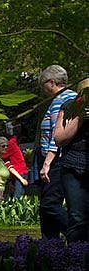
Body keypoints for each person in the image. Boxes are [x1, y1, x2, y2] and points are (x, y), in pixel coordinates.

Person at [38, 65, 75, 238]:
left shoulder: (62, 100)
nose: (42, 89)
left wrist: (47, 163)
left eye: (43, 84)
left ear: (52, 82)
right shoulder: (67, 97)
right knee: (46, 210)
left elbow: (57, 135)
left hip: (57, 161)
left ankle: (78, 236)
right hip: (56, 159)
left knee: (49, 204)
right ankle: (50, 246)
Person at [53, 88, 89, 240]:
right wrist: (80, 118)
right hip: (73, 166)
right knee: (77, 216)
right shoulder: (69, 106)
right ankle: (76, 252)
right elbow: (59, 139)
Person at [2, 133, 29, 199]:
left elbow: (2, 156)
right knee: (14, 194)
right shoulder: (12, 143)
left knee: (17, 196)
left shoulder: (10, 144)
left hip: (19, 172)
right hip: (17, 172)